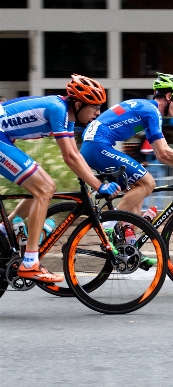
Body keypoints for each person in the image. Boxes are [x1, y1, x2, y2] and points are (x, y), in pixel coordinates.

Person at [80, 72, 173, 258]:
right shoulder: (152, 112)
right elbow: (163, 153)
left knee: (138, 187)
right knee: (148, 183)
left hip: (94, 146)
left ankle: (129, 249)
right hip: (98, 146)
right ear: (169, 96)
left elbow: (161, 153)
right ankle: (109, 225)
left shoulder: (146, 109)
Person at [0, 74, 120, 283]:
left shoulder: (66, 116)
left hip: (5, 137)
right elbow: (70, 157)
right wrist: (99, 185)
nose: (98, 113)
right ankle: (30, 263)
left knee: (43, 185)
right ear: (80, 103)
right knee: (44, 188)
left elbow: (75, 154)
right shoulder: (58, 109)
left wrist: (95, 178)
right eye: (95, 107)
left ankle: (5, 229)